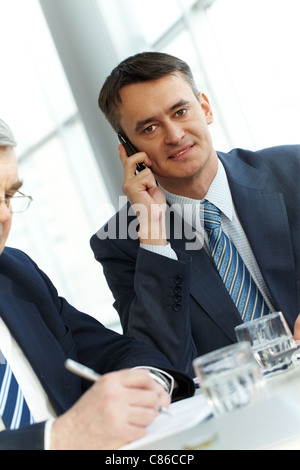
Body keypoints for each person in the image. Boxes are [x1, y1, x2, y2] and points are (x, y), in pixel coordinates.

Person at [91, 51, 300, 377]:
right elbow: (165, 369)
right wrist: (154, 234)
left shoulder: (293, 171)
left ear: (205, 107)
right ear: (128, 148)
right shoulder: (121, 243)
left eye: (180, 111)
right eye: (149, 128)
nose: (174, 135)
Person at [0, 119, 194, 450]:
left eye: (8, 195)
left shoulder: (15, 272)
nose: (5, 215)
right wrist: (59, 438)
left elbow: (114, 351)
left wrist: (147, 381)